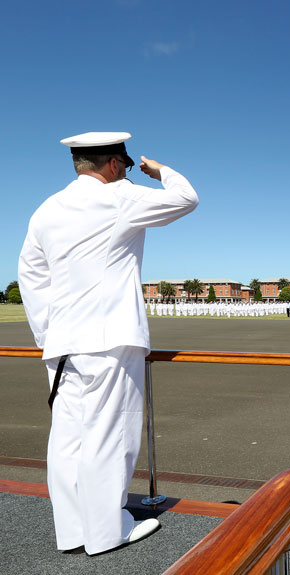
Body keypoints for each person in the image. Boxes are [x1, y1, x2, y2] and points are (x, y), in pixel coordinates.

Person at [18, 132, 198, 556]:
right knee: (110, 435)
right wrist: (160, 171)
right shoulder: (121, 196)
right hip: (111, 338)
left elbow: (31, 276)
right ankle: (106, 532)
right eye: (127, 165)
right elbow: (186, 199)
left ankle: (73, 531)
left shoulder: (47, 208)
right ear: (115, 164)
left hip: (62, 344)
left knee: (67, 439)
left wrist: (49, 334)